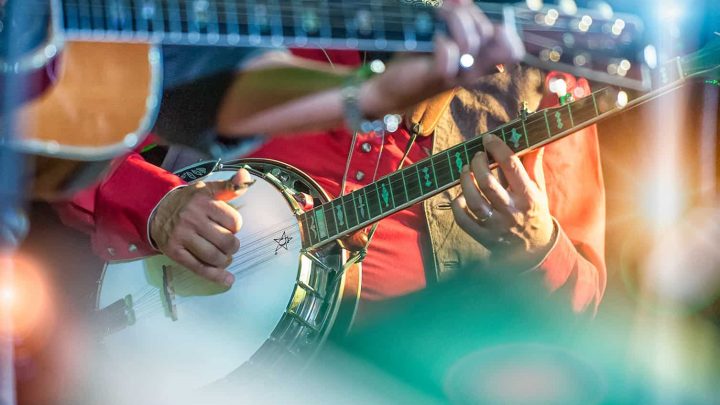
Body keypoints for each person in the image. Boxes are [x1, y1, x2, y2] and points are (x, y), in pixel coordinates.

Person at [57, 1, 604, 318]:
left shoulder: (549, 86)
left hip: (383, 373)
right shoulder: (270, 15)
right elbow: (65, 132)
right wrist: (159, 205)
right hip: (177, 342)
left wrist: (537, 247)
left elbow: (584, 297)